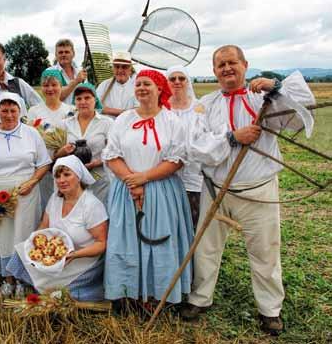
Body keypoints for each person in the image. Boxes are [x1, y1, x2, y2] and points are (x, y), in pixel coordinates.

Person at [180, 45, 316, 336]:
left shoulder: (264, 97)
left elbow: (299, 114)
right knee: (206, 248)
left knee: (265, 250)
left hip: (258, 189)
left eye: (232, 63)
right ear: (214, 71)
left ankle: (270, 310)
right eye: (221, 65)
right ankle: (200, 298)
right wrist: (232, 138)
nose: (227, 68)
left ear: (245, 65)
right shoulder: (206, 104)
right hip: (216, 189)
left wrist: (277, 87)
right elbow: (195, 146)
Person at [102, 69, 194, 310]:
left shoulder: (172, 121)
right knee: (126, 241)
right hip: (126, 189)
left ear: (160, 88)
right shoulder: (124, 119)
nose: (142, 88)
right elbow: (112, 155)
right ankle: (127, 292)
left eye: (148, 84)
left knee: (158, 241)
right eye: (139, 84)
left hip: (161, 190)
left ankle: (157, 295)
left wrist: (145, 178)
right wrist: (132, 182)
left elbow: (177, 159)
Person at [0, 92, 51, 298]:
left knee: (24, 234)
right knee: (4, 236)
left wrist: (32, 182)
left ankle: (23, 281)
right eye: (4, 110)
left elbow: (44, 163)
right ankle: (8, 279)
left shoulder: (31, 134)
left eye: (13, 110)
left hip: (26, 192)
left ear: (20, 111)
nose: (8, 115)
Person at [6, 155, 108, 301]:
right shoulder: (56, 198)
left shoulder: (91, 205)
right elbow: (43, 226)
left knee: (63, 295)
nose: (61, 180)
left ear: (78, 176)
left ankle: (51, 289)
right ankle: (29, 286)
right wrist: (35, 244)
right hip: (55, 253)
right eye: (57, 176)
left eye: (67, 174)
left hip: (81, 258)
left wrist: (73, 255)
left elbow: (102, 244)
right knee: (21, 251)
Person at [54, 83, 113, 205]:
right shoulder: (64, 124)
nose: (83, 102)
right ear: (74, 101)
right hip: (71, 180)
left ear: (95, 100)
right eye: (79, 99)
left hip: (98, 179)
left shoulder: (107, 123)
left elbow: (114, 151)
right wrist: (63, 151)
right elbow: (55, 155)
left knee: (99, 214)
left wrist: (98, 162)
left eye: (87, 98)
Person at [27, 68, 74, 209]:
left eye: (54, 85)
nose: (50, 89)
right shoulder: (34, 111)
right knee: (45, 205)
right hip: (43, 169)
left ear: (61, 87)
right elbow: (30, 140)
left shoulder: (70, 110)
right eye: (46, 85)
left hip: (66, 167)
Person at [166, 65, 203, 229]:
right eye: (172, 79)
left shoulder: (199, 108)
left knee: (194, 221)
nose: (177, 82)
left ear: (188, 82)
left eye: (181, 78)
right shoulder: (162, 109)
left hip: (194, 176)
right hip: (166, 176)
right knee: (171, 222)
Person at [96, 51, 137, 118]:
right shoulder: (104, 85)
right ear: (113, 68)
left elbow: (139, 110)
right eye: (117, 67)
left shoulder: (137, 86)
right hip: (108, 127)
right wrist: (123, 112)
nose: (120, 70)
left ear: (130, 69)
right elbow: (95, 107)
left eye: (124, 67)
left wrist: (107, 110)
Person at [49, 39, 87, 104]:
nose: (63, 55)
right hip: (59, 114)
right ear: (56, 55)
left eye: (67, 52)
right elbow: (55, 98)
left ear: (73, 54)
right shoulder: (50, 72)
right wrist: (76, 81)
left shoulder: (80, 72)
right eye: (60, 52)